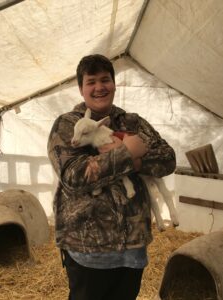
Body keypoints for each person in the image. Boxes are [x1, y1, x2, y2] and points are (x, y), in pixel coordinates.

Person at [47, 54, 176, 300]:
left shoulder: (133, 122)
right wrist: (128, 152)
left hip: (133, 247)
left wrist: (138, 158)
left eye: (105, 79)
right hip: (88, 249)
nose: (99, 87)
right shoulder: (66, 125)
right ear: (81, 89)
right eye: (91, 81)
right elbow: (73, 176)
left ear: (114, 84)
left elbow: (167, 159)